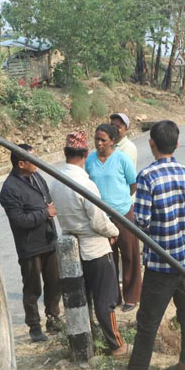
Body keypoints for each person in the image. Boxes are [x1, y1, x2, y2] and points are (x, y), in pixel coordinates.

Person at [115, 120, 185, 370]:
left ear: (151, 144)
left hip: (160, 262)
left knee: (148, 317)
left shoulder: (148, 177)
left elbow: (140, 220)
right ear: (175, 144)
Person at [48, 131, 127, 356]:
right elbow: (99, 220)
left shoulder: (57, 182)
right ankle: (117, 345)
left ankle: (89, 342)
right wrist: (114, 231)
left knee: (84, 300)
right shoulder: (85, 183)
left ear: (65, 154)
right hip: (95, 248)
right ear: (85, 154)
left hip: (73, 250)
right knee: (106, 300)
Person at [0, 144, 63, 342]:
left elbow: (47, 198)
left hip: (49, 240)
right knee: (32, 288)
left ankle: (53, 318)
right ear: (21, 164)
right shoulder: (9, 189)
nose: (37, 163)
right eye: (32, 160)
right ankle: (34, 326)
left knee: (54, 283)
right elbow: (19, 220)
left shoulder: (36, 176)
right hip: (30, 247)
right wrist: (45, 213)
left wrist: (47, 211)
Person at [85, 124, 141, 312]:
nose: (99, 143)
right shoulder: (90, 160)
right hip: (101, 216)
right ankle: (113, 296)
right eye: (96, 139)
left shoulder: (122, 159)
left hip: (123, 213)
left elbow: (132, 184)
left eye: (103, 140)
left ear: (112, 141)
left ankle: (131, 296)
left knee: (129, 254)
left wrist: (120, 201)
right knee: (107, 257)